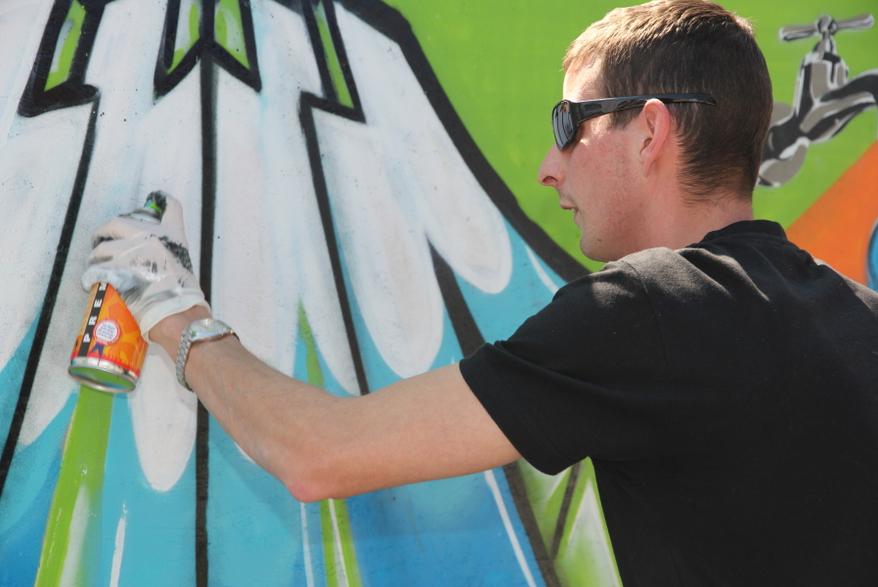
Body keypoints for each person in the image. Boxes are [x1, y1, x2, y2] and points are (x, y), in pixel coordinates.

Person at [82, 1, 878, 585]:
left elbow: (320, 454)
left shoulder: (647, 309)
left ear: (650, 131)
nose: (548, 166)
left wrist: (170, 308)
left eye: (569, 124)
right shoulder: (860, 315)